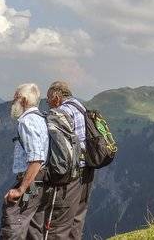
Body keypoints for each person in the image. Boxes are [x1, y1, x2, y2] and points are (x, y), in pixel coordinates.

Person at [0, 83, 52, 239]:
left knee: (13, 219)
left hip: (32, 181)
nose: (12, 102)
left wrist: (21, 189)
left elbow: (36, 158)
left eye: (15, 97)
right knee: (35, 226)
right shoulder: (42, 118)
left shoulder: (26, 122)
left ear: (22, 99)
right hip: (43, 180)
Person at [46, 81, 94, 239]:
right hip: (87, 168)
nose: (47, 103)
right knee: (78, 217)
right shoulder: (80, 106)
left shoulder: (62, 111)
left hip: (72, 173)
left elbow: (60, 146)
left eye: (48, 99)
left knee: (60, 221)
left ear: (56, 96)